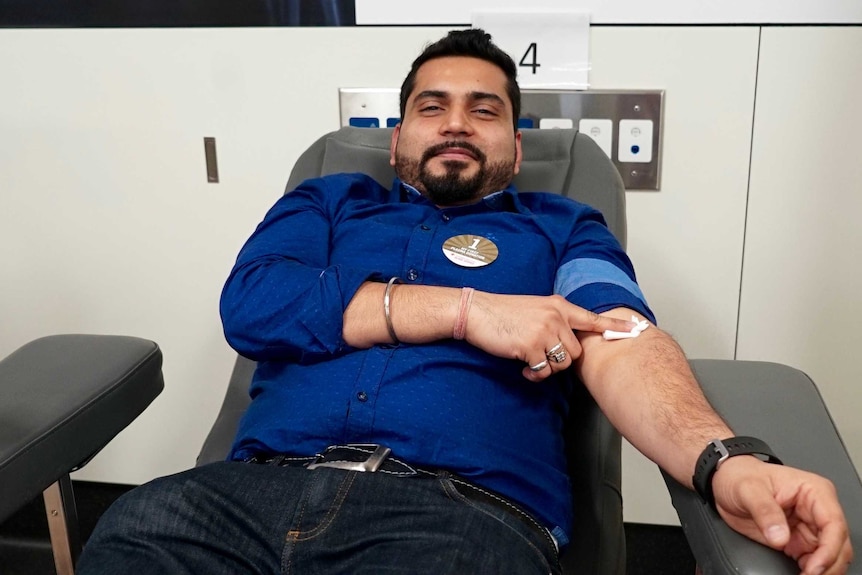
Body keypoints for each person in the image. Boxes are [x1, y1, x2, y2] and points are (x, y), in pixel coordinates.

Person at [77, 29, 852, 575]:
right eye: (431, 106)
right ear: (397, 137)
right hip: (232, 504)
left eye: (485, 110)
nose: (456, 122)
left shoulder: (561, 229)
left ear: (516, 147)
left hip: (455, 517)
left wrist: (725, 462)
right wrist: (468, 310)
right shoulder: (328, 202)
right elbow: (255, 304)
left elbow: (622, 337)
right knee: (129, 530)